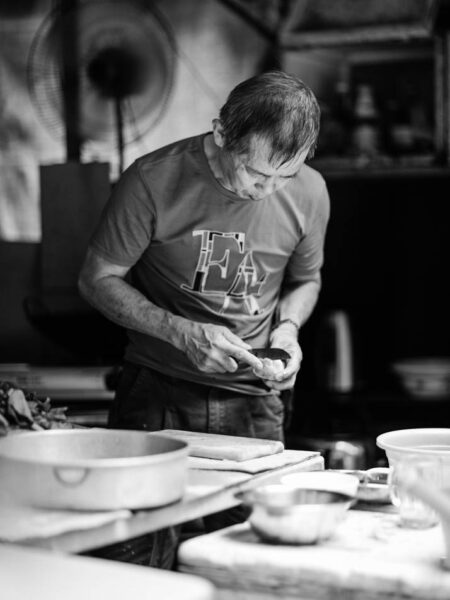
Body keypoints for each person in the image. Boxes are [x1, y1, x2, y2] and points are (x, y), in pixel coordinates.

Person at [78, 69, 330, 567]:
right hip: (158, 393)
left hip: (258, 406)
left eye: (287, 175)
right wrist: (180, 331)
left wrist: (288, 329)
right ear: (220, 134)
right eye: (258, 174)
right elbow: (96, 279)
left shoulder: (311, 191)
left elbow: (306, 280)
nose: (269, 189)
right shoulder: (152, 179)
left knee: (248, 562)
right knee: (138, 559)